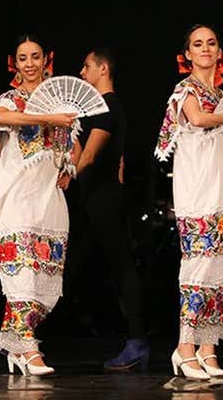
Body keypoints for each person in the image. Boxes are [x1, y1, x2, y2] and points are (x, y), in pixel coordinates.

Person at [155, 25, 223, 380]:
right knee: (198, 269)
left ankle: (208, 347)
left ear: (220, 52)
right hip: (197, 193)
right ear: (187, 55)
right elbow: (197, 119)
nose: (205, 49)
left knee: (219, 273)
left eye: (211, 43)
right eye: (198, 44)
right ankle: (184, 348)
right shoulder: (185, 90)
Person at [0, 34, 76, 376]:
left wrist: (69, 169)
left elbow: (73, 146)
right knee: (21, 274)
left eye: (35, 56)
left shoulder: (61, 104)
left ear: (46, 60)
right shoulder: (9, 100)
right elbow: (3, 118)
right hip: (16, 197)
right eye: (22, 58)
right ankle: (28, 349)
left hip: (48, 199)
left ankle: (18, 344)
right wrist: (50, 120)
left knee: (41, 280)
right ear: (15, 64)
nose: (29, 63)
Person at [63, 46, 149, 371]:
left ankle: (138, 341)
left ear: (103, 69)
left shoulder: (107, 105)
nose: (82, 73)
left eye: (87, 66)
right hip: (98, 197)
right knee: (95, 267)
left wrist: (69, 174)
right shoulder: (102, 108)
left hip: (104, 198)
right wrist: (71, 131)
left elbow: (91, 156)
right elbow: (86, 151)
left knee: (121, 266)